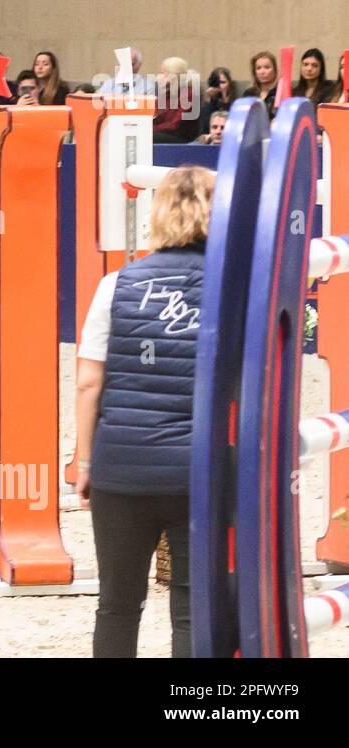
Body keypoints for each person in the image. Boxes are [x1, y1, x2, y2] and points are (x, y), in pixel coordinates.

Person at [75, 165, 214, 658]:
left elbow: (90, 380)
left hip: (121, 466)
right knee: (195, 607)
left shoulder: (116, 284)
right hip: (199, 470)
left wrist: (85, 461)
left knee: (116, 605)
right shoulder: (230, 290)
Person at [243, 50, 278, 115]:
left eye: (267, 67)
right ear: (254, 72)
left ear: (274, 70)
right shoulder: (249, 93)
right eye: (258, 68)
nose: (262, 72)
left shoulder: (279, 92)